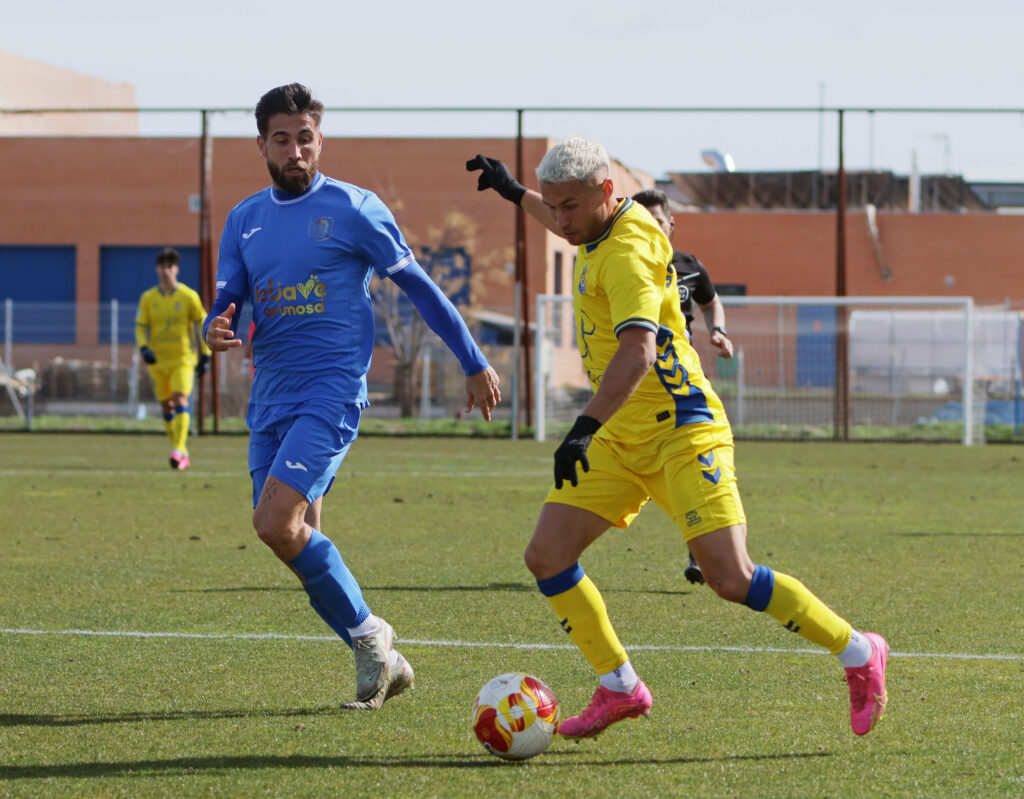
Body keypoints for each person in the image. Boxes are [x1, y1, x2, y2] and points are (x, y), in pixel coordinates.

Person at [467, 140, 887, 739]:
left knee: (730, 578)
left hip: (681, 431)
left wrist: (582, 427)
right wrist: (515, 194)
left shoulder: (628, 253)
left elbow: (637, 352)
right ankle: (620, 687)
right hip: (623, 435)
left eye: (570, 206)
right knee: (548, 556)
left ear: (607, 192)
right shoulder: (602, 224)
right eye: (553, 206)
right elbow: (569, 229)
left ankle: (858, 652)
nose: (560, 219)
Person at [203, 83, 500, 711]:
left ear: (320, 139)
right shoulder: (243, 218)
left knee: (271, 522)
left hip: (332, 390)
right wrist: (216, 322)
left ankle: (370, 637)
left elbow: (419, 288)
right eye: (281, 139)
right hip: (271, 394)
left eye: (304, 137)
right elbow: (229, 291)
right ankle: (383, 662)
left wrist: (473, 361)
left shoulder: (354, 209)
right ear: (262, 144)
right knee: (296, 535)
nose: (295, 150)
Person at [632, 188, 734, 586]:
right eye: (640, 220)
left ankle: (701, 549)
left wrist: (718, 330)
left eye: (656, 220)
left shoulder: (689, 266)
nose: (649, 228)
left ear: (671, 224)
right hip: (637, 385)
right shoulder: (626, 264)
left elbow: (711, 302)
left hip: (683, 383)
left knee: (693, 463)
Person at [135, 247, 211, 470]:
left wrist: (205, 354)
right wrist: (144, 348)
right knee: (166, 406)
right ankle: (182, 452)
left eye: (170, 267)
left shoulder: (188, 296)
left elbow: (201, 323)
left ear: (176, 269)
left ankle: (178, 449)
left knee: (180, 399)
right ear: (157, 269)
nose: (166, 271)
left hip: (183, 359)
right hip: (158, 360)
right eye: (162, 266)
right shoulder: (148, 298)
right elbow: (141, 327)